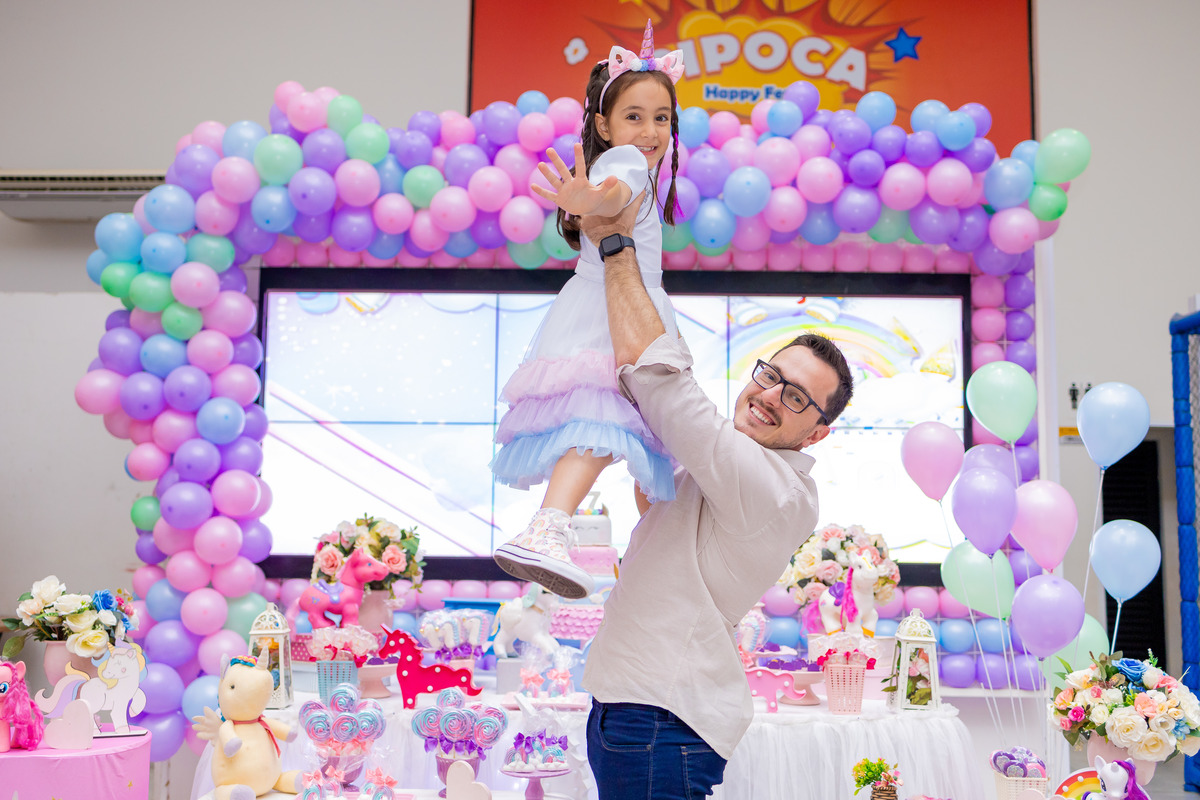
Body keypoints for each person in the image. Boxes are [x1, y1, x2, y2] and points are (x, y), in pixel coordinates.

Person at [562, 188, 856, 797]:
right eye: (771, 375)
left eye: (797, 396)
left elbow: (665, 387)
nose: (773, 395)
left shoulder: (773, 485)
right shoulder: (724, 473)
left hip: (659, 719)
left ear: (818, 432)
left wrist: (615, 243)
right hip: (638, 709)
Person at [491, 21, 686, 600]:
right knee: (603, 425)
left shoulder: (638, 168)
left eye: (662, 118)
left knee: (655, 445)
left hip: (627, 305)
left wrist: (588, 205)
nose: (649, 131)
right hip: (613, 312)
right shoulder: (623, 164)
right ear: (604, 124)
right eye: (634, 115)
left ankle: (660, 553)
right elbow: (614, 190)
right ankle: (549, 527)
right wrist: (589, 203)